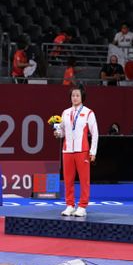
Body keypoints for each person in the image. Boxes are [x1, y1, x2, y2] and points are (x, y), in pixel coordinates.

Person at [56, 86, 99, 217]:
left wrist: (93, 152)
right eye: (73, 95)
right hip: (67, 150)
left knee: (84, 179)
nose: (74, 98)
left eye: (77, 95)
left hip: (82, 151)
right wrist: (58, 133)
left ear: (82, 97)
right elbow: (62, 131)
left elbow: (95, 133)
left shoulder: (88, 113)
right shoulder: (65, 112)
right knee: (68, 179)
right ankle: (69, 205)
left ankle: (82, 206)